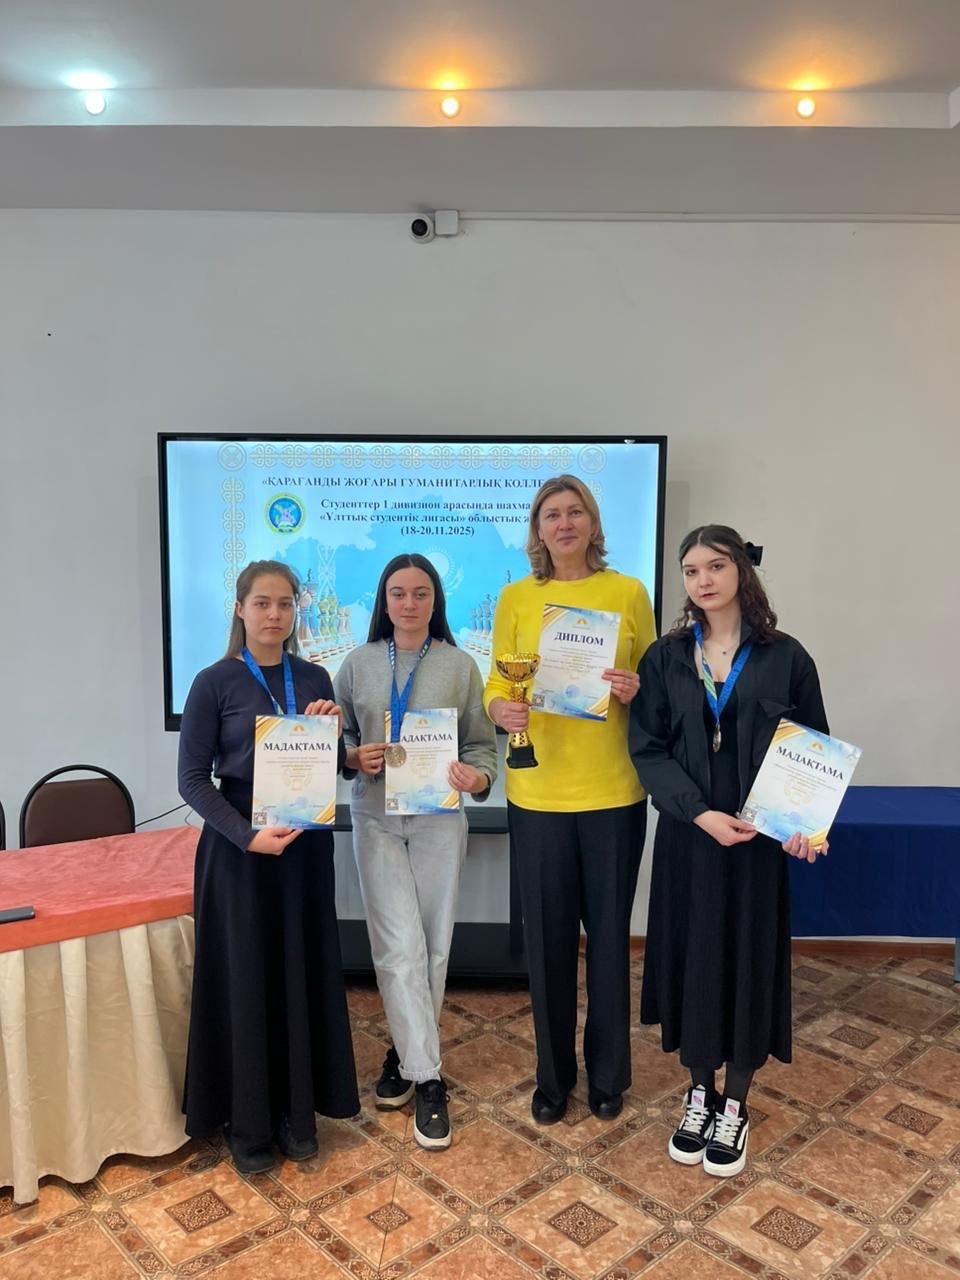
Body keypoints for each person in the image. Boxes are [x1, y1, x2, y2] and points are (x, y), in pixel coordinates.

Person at [629, 525, 829, 1178]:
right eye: (691, 571)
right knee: (693, 963)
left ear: (742, 570)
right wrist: (699, 813)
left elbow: (813, 751)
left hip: (756, 849)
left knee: (746, 964)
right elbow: (648, 750)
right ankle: (698, 1094)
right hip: (690, 841)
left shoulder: (787, 658)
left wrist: (804, 824)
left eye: (715, 566)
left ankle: (735, 1103)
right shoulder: (664, 658)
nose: (703, 580)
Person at [483, 475, 657, 1125]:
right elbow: (497, 681)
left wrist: (637, 688)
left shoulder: (628, 593)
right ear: (537, 528)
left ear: (592, 523)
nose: (563, 523)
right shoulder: (516, 597)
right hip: (537, 794)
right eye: (551, 514)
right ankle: (552, 1080)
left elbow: (657, 682)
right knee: (548, 947)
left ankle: (609, 1077)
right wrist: (498, 709)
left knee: (609, 942)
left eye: (575, 511)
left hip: (613, 792)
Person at [178, 559, 359, 1173]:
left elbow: (329, 767)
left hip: (303, 850)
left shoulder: (315, 676)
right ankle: (247, 1122)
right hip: (239, 852)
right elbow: (191, 780)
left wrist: (334, 736)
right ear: (240, 609)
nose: (274, 615)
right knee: (246, 979)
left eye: (285, 604)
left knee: (299, 973)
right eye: (262, 603)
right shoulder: (213, 682)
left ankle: (295, 1114)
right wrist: (246, 837)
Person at [334, 553, 497, 1150]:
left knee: (432, 947)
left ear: (436, 601)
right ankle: (428, 1079)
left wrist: (477, 778)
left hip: (438, 818)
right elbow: (337, 738)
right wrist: (353, 756)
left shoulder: (459, 665)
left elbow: (482, 747)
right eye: (398, 593)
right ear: (383, 600)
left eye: (421, 593)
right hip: (375, 815)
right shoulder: (357, 663)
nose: (409, 603)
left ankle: (405, 1054)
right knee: (396, 946)